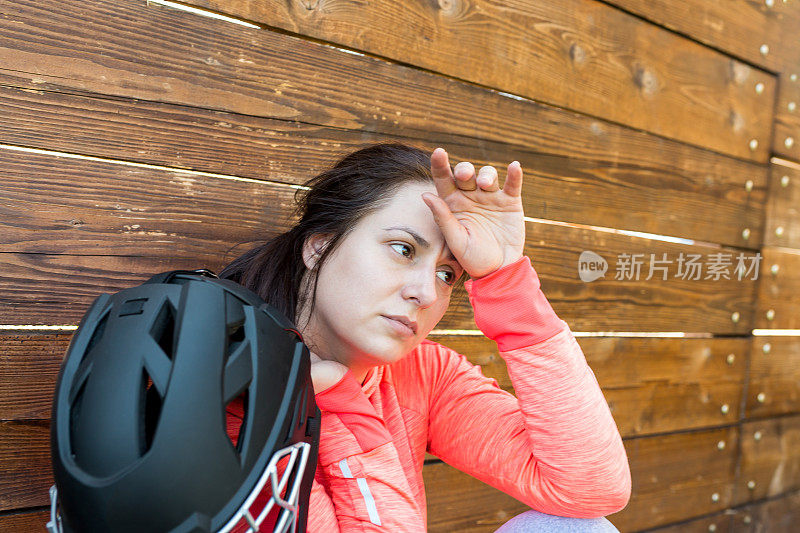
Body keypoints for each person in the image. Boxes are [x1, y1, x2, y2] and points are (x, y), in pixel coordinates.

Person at [220, 142, 631, 531]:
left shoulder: (424, 373)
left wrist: (506, 281)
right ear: (319, 246)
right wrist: (345, 410)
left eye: (446, 273)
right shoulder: (229, 388)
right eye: (402, 249)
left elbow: (591, 488)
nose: (427, 293)